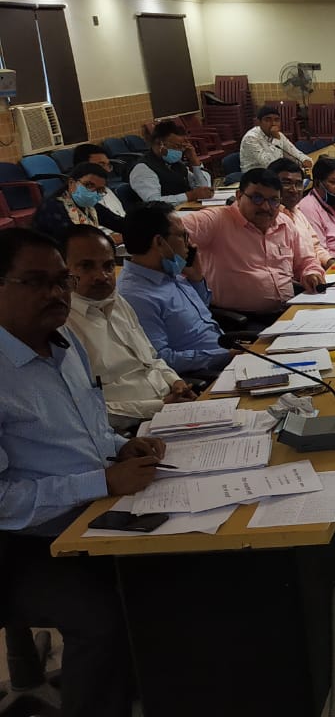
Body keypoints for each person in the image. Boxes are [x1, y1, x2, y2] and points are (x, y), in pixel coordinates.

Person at [0, 227, 165, 717]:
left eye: (60, 281)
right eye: (36, 282)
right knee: (100, 617)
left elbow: (85, 431)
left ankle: (149, 688)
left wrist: (121, 446)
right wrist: (101, 482)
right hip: (20, 545)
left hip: (86, 517)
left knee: (176, 567)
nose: (56, 294)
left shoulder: (64, 340)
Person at [61, 226, 195, 432]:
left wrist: (175, 381)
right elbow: (89, 410)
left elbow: (151, 359)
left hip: (172, 408)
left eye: (108, 266)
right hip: (133, 431)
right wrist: (160, 407)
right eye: (86, 266)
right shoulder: (62, 326)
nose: (102, 276)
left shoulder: (118, 302)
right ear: (63, 271)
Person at [181, 168, 326, 320]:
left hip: (287, 310)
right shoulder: (216, 220)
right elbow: (169, 232)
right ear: (239, 196)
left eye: (273, 201)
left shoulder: (284, 223)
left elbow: (306, 261)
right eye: (257, 198)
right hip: (241, 319)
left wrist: (311, 273)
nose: (266, 207)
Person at [116, 202, 232, 376]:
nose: (189, 244)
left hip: (225, 352)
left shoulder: (167, 270)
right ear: (159, 242)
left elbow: (202, 312)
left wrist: (196, 278)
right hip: (206, 373)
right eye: (183, 236)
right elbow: (161, 359)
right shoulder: (136, 296)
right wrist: (225, 356)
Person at [269, 157, 335, 268]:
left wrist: (330, 262)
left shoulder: (297, 211)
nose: (294, 190)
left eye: (298, 184)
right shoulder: (269, 218)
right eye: (286, 183)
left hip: (315, 271)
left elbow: (315, 247)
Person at [32, 162, 125, 242]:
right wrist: (109, 239)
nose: (94, 192)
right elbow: (71, 242)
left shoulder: (90, 206)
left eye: (99, 189)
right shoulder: (52, 208)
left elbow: (118, 223)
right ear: (71, 183)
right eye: (89, 185)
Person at [129, 121, 213, 206]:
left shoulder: (176, 164)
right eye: (177, 146)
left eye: (183, 147)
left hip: (187, 209)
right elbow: (154, 202)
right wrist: (189, 196)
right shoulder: (143, 169)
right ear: (160, 143)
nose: (181, 151)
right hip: (165, 213)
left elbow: (202, 189)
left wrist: (194, 162)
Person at [239, 105, 313, 172]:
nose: (273, 123)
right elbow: (272, 165)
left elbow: (293, 153)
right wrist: (276, 139)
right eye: (268, 120)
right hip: (254, 176)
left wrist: (304, 160)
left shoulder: (278, 135)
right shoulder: (250, 138)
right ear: (259, 122)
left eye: (276, 120)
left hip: (274, 174)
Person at [71, 143, 126, 222]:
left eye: (108, 165)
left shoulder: (107, 191)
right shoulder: (77, 200)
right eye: (101, 165)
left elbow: (121, 216)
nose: (107, 170)